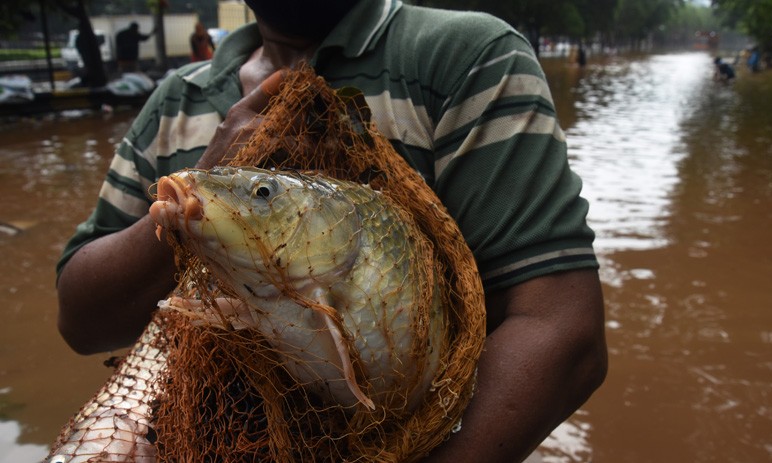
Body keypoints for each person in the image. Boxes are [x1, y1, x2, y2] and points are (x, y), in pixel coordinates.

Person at [55, 0, 608, 461]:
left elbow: (564, 331)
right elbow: (80, 321)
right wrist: (198, 193)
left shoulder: (467, 57)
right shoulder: (175, 98)